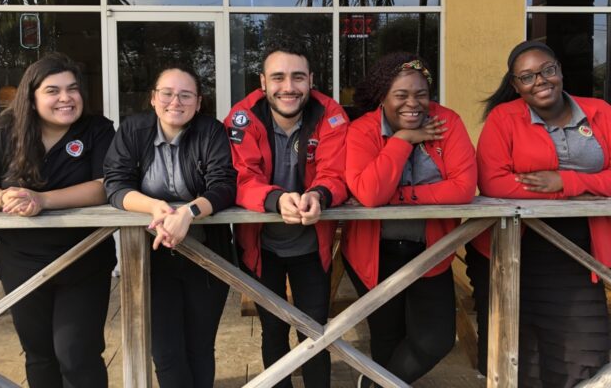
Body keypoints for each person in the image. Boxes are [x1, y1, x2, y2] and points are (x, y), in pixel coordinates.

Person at [467, 40, 611, 387]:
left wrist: (563, 181)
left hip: (580, 251)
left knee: (585, 354)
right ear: (515, 85)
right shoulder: (504, 118)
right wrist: (590, 184)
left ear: (559, 71)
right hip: (516, 250)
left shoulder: (601, 114)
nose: (540, 81)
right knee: (522, 358)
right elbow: (493, 182)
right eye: (527, 77)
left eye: (547, 71)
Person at [342, 52, 477, 388]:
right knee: (387, 338)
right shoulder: (363, 130)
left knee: (435, 339)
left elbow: (463, 188)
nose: (413, 103)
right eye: (400, 95)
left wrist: (402, 197)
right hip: (373, 252)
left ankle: (374, 385)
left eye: (421, 94)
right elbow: (370, 192)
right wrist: (402, 140)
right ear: (382, 97)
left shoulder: (448, 122)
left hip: (431, 250)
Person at [0, 53, 116, 388]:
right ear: (31, 97)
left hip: (84, 259)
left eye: (72, 89)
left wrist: (41, 200)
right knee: (39, 354)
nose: (65, 98)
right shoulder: (0, 131)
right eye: (53, 90)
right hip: (21, 262)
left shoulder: (97, 129)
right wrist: (5, 198)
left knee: (77, 353)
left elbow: (104, 187)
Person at [103, 66, 236, 388]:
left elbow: (224, 186)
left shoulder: (211, 131)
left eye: (185, 94)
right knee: (165, 352)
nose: (175, 101)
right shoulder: (133, 130)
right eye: (167, 93)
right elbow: (115, 184)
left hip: (208, 256)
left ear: (198, 101)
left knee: (200, 348)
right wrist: (155, 207)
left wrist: (188, 212)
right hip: (151, 258)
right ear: (153, 98)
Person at [224, 43, 348, 388]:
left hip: (313, 243)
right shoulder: (242, 117)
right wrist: (275, 199)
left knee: (315, 332)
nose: (288, 86)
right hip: (261, 247)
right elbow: (239, 177)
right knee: (273, 330)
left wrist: (318, 194)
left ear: (311, 80)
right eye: (278, 77)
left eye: (297, 77)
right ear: (263, 82)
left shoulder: (331, 114)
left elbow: (336, 173)